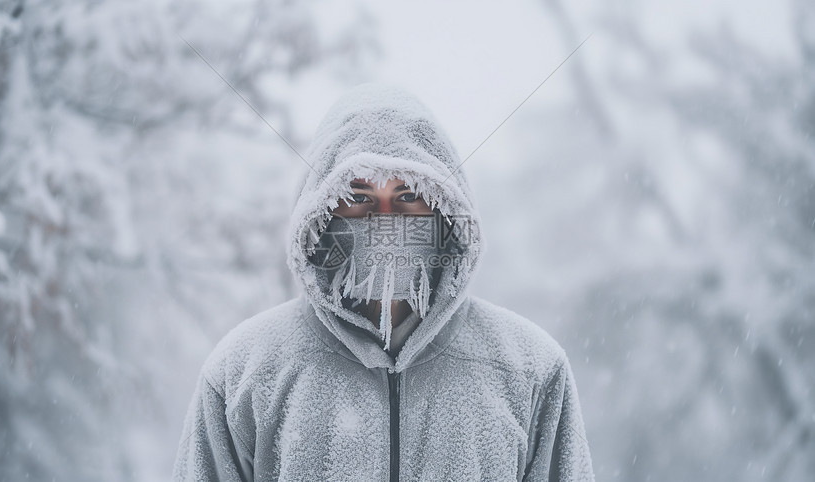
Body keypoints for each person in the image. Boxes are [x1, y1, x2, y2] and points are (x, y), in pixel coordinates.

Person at [172, 83, 595, 481]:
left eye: (408, 196)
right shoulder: (245, 373)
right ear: (325, 216)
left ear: (442, 213)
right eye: (360, 199)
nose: (385, 221)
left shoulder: (530, 370)